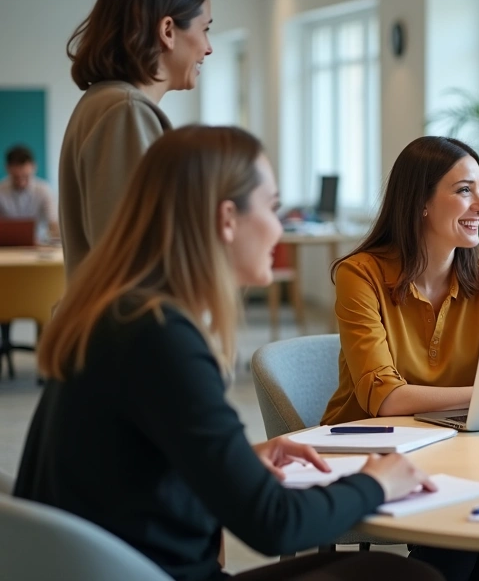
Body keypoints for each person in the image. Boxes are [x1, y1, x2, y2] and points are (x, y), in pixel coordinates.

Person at [14, 126, 442, 581]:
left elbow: (130, 466)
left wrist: (238, 459)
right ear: (227, 219)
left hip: (110, 562)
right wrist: (377, 483)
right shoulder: (161, 338)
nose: (280, 228)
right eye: (273, 208)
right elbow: (274, 524)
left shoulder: (120, 312)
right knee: (406, 576)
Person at [320, 135, 479, 581]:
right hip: (376, 447)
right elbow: (384, 399)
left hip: (463, 444)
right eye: (464, 190)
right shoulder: (360, 274)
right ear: (421, 202)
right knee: (458, 532)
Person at [59, 0, 211, 277]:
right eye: (205, 29)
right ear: (167, 30)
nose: (208, 48)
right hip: (135, 326)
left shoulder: (109, 103)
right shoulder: (125, 111)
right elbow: (137, 263)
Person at [0, 144, 58, 239]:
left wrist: (55, 233)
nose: (22, 183)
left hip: (38, 244)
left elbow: (53, 221)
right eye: (16, 178)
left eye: (25, 176)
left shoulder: (43, 190)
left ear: (34, 167)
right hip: (6, 246)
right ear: (8, 168)